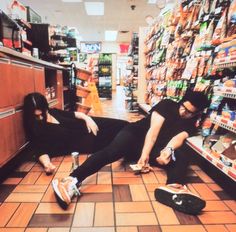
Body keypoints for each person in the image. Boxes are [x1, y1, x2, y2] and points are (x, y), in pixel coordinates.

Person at [52, 90, 210, 214]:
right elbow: (153, 132)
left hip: (155, 147)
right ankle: (70, 181)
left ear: (196, 113)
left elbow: (179, 137)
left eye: (190, 112)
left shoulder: (191, 124)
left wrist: (167, 151)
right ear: (181, 102)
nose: (184, 112)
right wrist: (144, 155)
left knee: (181, 155)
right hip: (135, 135)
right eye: (184, 107)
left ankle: (174, 187)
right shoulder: (167, 104)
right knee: (112, 152)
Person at [23, 92, 128, 174]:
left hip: (91, 124)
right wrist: (47, 164)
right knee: (121, 140)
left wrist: (87, 118)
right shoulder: (36, 128)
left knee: (123, 124)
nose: (41, 117)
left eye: (43, 112)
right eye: (36, 116)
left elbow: (74, 114)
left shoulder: (52, 111)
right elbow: (39, 150)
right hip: (91, 141)